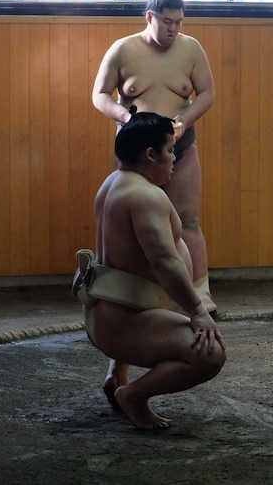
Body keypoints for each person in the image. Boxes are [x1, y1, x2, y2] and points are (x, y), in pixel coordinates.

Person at [73, 107, 226, 430]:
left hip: (111, 313)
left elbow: (131, 265)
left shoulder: (114, 182)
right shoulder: (144, 196)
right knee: (210, 354)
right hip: (123, 323)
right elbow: (164, 262)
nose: (174, 158)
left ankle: (117, 373)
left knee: (147, 296)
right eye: (171, 151)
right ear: (150, 154)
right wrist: (198, 310)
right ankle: (133, 396)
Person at [92, 0, 217, 315]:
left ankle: (200, 292)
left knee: (188, 221)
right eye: (166, 21)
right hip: (135, 151)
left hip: (181, 145)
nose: (173, 28)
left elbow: (206, 93)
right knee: (126, 223)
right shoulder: (123, 49)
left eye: (179, 22)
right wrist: (124, 116)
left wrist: (185, 121)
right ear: (150, 17)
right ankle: (123, 290)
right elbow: (100, 94)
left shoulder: (191, 49)